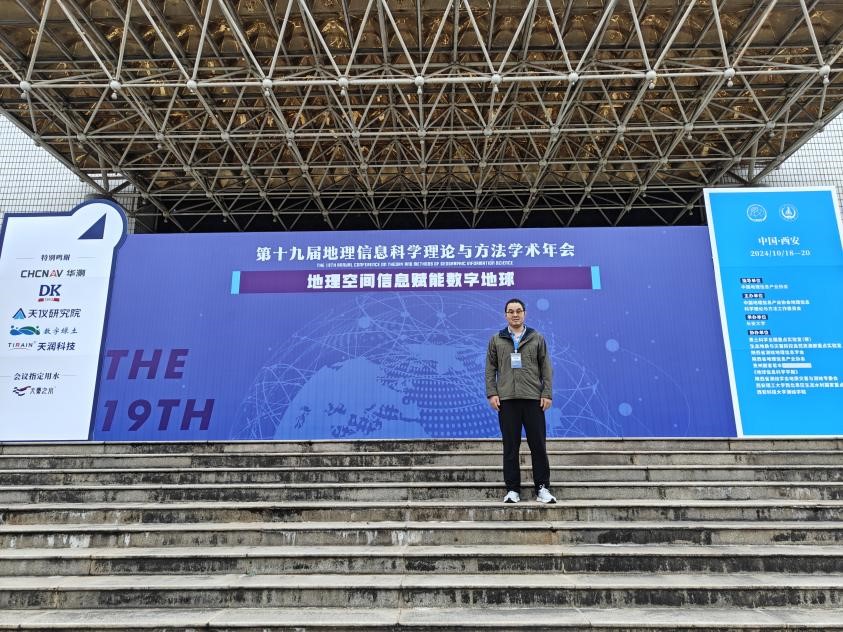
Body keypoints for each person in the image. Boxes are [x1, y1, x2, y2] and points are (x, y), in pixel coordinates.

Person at [485, 298, 556, 504]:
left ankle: (542, 488)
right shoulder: (496, 339)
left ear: (524, 313)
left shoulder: (537, 338)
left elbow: (546, 368)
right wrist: (492, 393)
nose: (515, 314)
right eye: (511, 311)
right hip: (507, 400)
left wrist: (547, 393)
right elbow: (490, 369)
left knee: (538, 446)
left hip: (533, 399)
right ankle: (512, 490)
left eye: (518, 311)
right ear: (505, 315)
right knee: (510, 447)